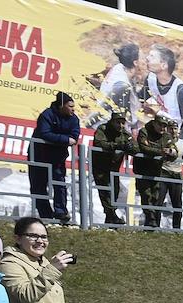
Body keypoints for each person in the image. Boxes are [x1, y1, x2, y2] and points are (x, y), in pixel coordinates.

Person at [28, 92, 80, 223]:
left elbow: (74, 137)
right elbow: (45, 133)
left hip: (58, 158)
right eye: (70, 106)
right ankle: (46, 215)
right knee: (38, 186)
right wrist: (64, 140)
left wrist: (60, 140)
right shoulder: (47, 115)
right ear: (61, 106)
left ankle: (61, 212)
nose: (73, 109)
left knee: (60, 184)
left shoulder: (74, 119)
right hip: (39, 156)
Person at [90, 111, 137, 225]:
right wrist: (117, 146)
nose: (120, 125)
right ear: (112, 121)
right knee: (105, 192)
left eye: (123, 123)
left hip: (114, 168)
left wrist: (130, 147)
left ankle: (110, 219)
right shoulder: (103, 129)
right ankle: (112, 216)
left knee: (115, 192)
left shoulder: (125, 134)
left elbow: (135, 147)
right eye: (118, 122)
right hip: (101, 166)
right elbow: (99, 143)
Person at [139, 45, 183, 143]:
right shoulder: (150, 78)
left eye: (152, 57)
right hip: (156, 131)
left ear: (164, 65)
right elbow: (141, 98)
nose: (147, 58)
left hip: (173, 136)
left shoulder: (180, 89)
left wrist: (180, 142)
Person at [133, 116, 179, 229]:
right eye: (160, 125)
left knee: (155, 197)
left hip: (156, 170)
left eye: (164, 126)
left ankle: (151, 223)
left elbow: (173, 151)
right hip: (142, 169)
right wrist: (161, 152)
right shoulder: (144, 131)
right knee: (146, 195)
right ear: (154, 123)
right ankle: (151, 219)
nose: (162, 128)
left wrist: (171, 152)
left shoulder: (166, 136)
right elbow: (144, 147)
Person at [86, 43, 140, 130]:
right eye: (143, 58)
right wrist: (85, 128)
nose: (147, 60)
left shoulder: (120, 67)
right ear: (135, 62)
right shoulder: (122, 86)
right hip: (107, 129)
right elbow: (101, 110)